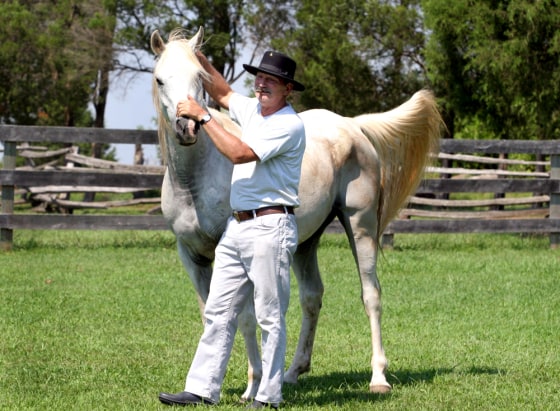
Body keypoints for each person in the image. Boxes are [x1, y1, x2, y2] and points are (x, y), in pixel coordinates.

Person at [158, 50, 306, 409]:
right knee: (218, 310)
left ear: (288, 89)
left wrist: (204, 116)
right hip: (237, 227)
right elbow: (224, 93)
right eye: (259, 77)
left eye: (271, 80)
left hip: (271, 226)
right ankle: (201, 389)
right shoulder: (253, 110)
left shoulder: (288, 124)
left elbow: (239, 153)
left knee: (269, 316)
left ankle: (269, 396)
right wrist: (199, 62)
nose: (261, 84)